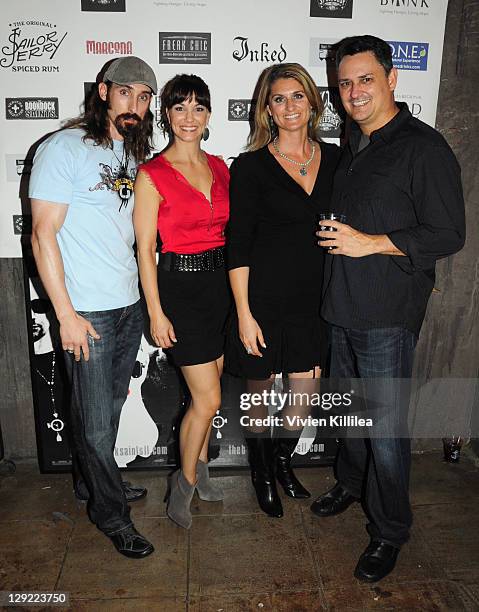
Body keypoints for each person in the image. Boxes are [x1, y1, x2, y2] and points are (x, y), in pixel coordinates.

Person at [312, 35, 465, 582]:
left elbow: (449, 233)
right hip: (342, 307)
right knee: (349, 419)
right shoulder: (354, 143)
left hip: (386, 316)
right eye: (345, 81)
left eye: (365, 79)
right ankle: (352, 486)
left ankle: (390, 530)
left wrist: (371, 242)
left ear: (392, 79)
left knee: (385, 430)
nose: (354, 91)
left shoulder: (423, 148)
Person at [30, 56, 158, 558]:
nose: (136, 104)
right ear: (103, 91)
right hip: (88, 312)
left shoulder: (130, 152)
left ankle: (92, 483)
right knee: (97, 423)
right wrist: (65, 315)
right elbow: (43, 235)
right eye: (126, 92)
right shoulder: (64, 147)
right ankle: (111, 515)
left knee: (107, 409)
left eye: (145, 97)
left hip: (128, 306)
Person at [225, 63, 340, 518]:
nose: (289, 106)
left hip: (316, 300)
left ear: (313, 103)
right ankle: (260, 473)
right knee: (259, 396)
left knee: (301, 399)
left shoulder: (336, 159)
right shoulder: (252, 167)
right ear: (267, 110)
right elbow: (238, 244)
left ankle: (281, 460)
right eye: (279, 99)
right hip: (262, 300)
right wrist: (244, 313)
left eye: (298, 96)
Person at [134, 74, 230, 529]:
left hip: (220, 290)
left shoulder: (220, 166)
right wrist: (155, 311)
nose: (189, 117)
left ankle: (202, 469)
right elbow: (145, 251)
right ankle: (184, 482)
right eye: (179, 107)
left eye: (197, 108)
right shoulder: (152, 174)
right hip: (179, 292)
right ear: (166, 115)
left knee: (209, 396)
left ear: (208, 115)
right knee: (207, 399)